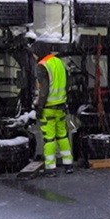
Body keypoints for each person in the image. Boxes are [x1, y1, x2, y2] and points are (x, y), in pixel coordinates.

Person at [34, 43, 74, 175]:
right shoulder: (59, 62)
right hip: (61, 106)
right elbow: (68, 83)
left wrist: (40, 107)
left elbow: (44, 90)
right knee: (62, 136)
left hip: (48, 108)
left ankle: (50, 168)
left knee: (49, 139)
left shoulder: (42, 66)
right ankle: (68, 165)